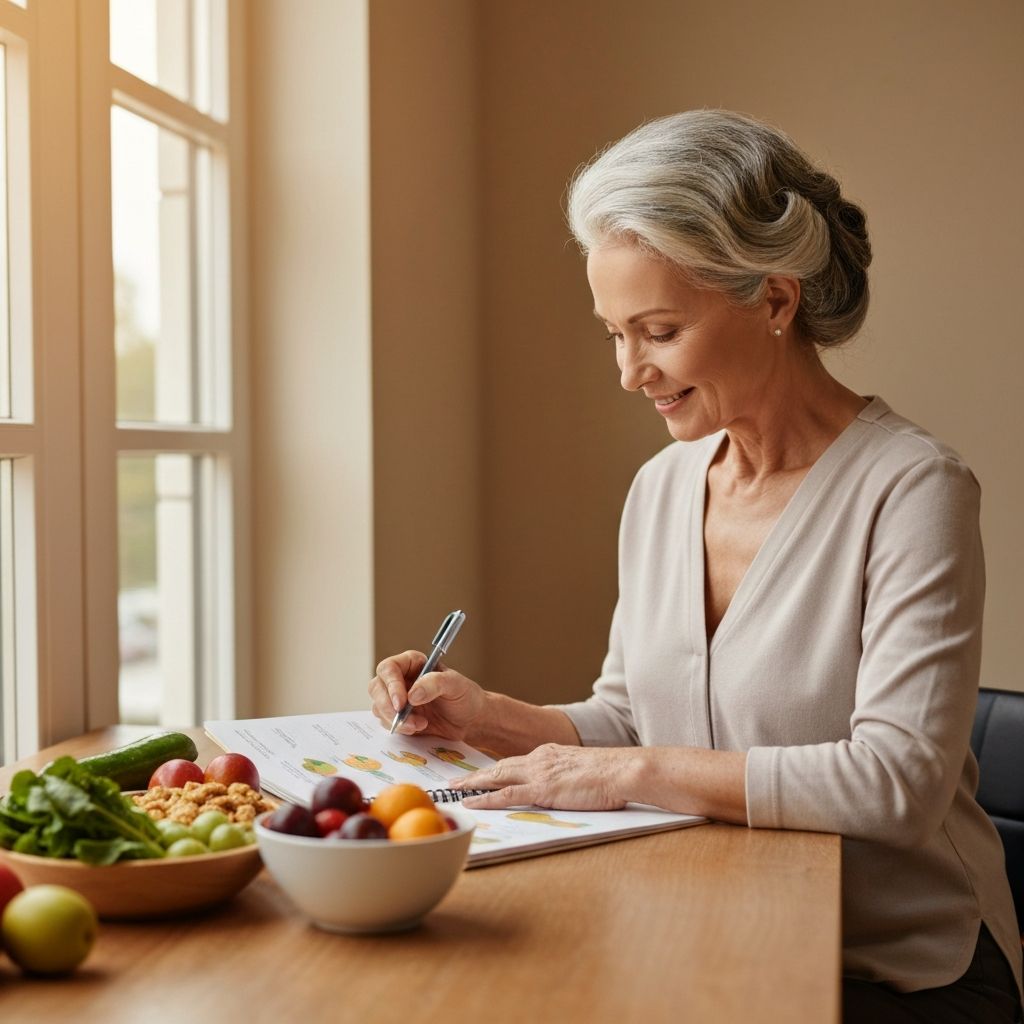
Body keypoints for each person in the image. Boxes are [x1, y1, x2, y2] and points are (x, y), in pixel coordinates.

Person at [368, 110, 1023, 1022]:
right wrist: (488, 719)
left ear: (776, 301)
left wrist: (627, 775)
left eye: (660, 331)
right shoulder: (664, 485)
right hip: (709, 920)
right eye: (613, 334)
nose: (630, 372)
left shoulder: (915, 489)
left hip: (896, 970)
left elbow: (897, 784)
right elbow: (634, 715)